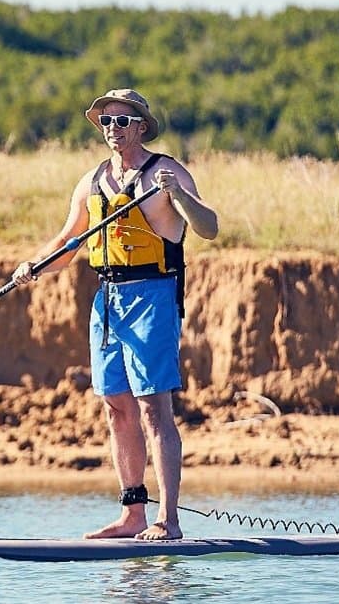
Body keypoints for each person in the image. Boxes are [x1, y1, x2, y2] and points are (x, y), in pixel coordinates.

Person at [12, 88, 218, 540]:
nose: (112, 129)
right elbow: (69, 241)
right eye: (106, 122)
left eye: (122, 121)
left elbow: (209, 228)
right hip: (106, 301)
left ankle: (169, 519)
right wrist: (33, 267)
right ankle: (132, 514)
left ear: (141, 126)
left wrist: (180, 196)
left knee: (152, 408)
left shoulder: (165, 172)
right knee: (116, 407)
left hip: (153, 296)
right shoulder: (92, 181)